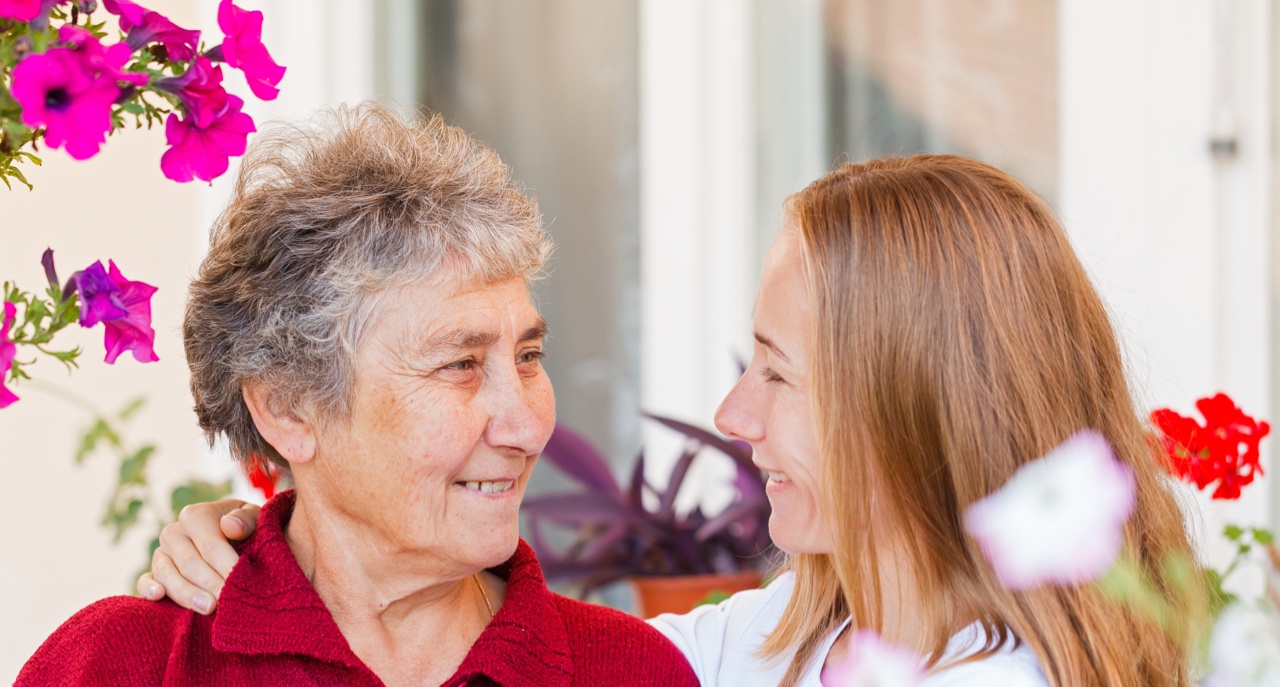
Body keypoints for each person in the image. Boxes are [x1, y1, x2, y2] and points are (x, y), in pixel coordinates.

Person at [133, 155, 1204, 686]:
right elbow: (545, 658)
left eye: (778, 378)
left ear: (909, 408)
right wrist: (275, 557)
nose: (732, 415)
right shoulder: (770, 645)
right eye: (460, 363)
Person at [16, 104, 699, 687]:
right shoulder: (119, 665)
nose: (525, 424)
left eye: (527, 356)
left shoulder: (630, 669)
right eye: (460, 363)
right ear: (287, 407)